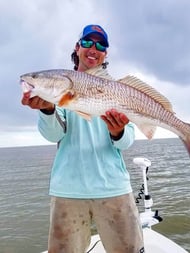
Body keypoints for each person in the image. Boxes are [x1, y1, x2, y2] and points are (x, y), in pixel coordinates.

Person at [21, 24, 144, 253]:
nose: (93, 48)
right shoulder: (60, 93)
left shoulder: (119, 90)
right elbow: (53, 134)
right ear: (77, 48)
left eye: (100, 45)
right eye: (88, 42)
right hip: (68, 190)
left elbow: (127, 142)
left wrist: (117, 132)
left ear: (105, 54)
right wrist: (47, 110)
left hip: (113, 188)